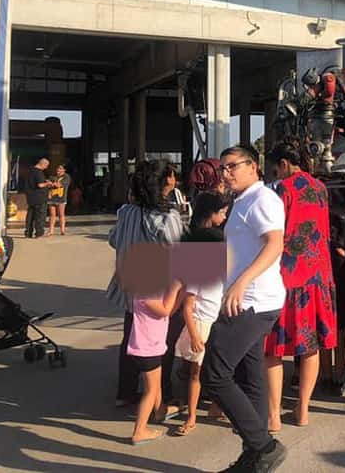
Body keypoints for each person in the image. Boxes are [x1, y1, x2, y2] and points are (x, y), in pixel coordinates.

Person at [201, 145, 287, 473]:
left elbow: (274, 243)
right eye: (223, 168)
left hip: (252, 301)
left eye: (232, 166)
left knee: (214, 375)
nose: (226, 173)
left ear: (253, 167)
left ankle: (264, 447)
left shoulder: (263, 199)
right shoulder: (242, 201)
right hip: (246, 298)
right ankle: (254, 453)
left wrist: (240, 283)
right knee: (250, 375)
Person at [263, 139, 336, 432]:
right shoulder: (320, 188)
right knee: (310, 346)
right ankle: (302, 408)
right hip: (318, 275)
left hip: (286, 276)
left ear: (283, 164)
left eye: (275, 168)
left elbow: (273, 232)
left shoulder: (282, 190)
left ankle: (273, 416)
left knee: (273, 349)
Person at [106, 160, 185, 410]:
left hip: (130, 289)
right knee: (161, 343)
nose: (175, 180)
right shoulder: (166, 216)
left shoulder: (126, 211)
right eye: (171, 176)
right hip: (157, 292)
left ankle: (125, 391)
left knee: (131, 337)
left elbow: (113, 240)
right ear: (163, 183)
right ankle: (163, 396)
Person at [173, 192, 229, 437]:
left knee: (215, 370)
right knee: (197, 372)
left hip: (216, 321)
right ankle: (193, 415)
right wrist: (195, 334)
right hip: (201, 324)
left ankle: (214, 407)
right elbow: (188, 305)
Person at [128, 278, 184, 445]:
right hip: (146, 348)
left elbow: (170, 310)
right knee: (150, 390)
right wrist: (175, 289)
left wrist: (180, 294)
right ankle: (139, 431)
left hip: (151, 346)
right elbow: (165, 311)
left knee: (156, 382)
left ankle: (160, 411)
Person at [320, 213, 345, 396]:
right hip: (341, 296)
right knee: (340, 341)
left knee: (325, 340)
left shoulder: (320, 248)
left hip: (325, 296)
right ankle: (339, 379)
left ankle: (326, 377)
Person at [24, 157, 52, 238]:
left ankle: (28, 233)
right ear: (43, 164)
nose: (46, 168)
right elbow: (40, 185)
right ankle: (39, 233)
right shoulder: (39, 172)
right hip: (40, 198)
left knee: (30, 216)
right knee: (40, 216)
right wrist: (48, 183)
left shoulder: (29, 171)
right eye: (46, 166)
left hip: (30, 197)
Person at [47, 164, 71, 236]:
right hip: (52, 197)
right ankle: (51, 231)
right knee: (52, 215)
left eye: (60, 169)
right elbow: (48, 184)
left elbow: (59, 185)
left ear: (64, 170)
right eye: (57, 168)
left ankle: (62, 230)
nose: (58, 170)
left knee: (61, 214)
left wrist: (52, 183)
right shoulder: (52, 176)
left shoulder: (66, 177)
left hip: (61, 198)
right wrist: (50, 183)